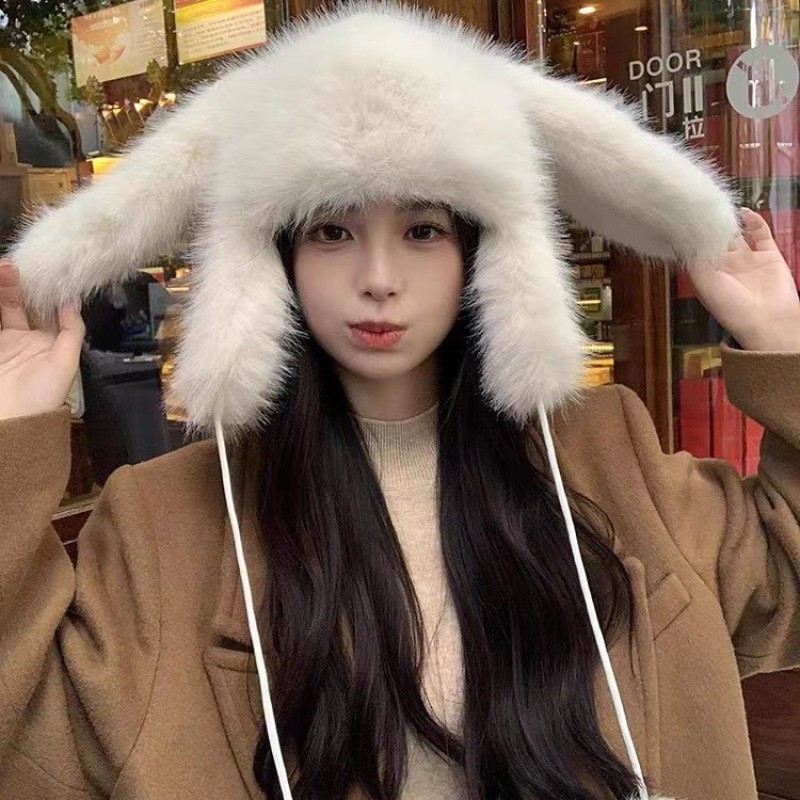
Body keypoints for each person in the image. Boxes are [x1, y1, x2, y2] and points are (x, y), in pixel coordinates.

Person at [2, 6, 799, 800]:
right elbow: (29, 735)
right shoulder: (164, 525)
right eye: (331, 231)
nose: (378, 279)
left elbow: (783, 581)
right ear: (270, 259)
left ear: (483, 253)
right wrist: (11, 437)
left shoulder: (609, 457)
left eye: (422, 231)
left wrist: (781, 342)